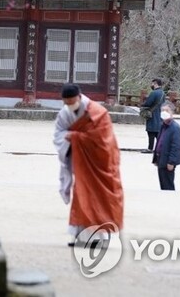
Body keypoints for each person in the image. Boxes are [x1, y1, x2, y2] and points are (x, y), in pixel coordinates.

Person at [53, 83, 124, 245]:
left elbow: (103, 139)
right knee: (81, 194)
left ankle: (100, 238)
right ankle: (80, 235)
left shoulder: (98, 113)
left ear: (79, 97)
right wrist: (73, 138)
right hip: (82, 162)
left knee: (101, 198)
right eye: (67, 103)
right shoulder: (64, 114)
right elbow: (58, 134)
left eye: (72, 102)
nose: (70, 106)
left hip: (101, 162)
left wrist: (75, 137)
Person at [152, 101, 180, 190]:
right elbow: (159, 143)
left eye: (167, 110)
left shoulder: (175, 127)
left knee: (168, 184)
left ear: (172, 112)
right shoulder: (163, 125)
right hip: (161, 158)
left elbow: (176, 146)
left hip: (168, 160)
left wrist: (171, 162)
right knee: (162, 184)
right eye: (162, 110)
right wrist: (155, 159)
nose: (164, 112)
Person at [140, 78, 165, 153]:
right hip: (159, 113)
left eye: (152, 83)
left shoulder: (154, 93)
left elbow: (148, 103)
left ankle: (150, 148)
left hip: (152, 113)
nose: (151, 85)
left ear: (155, 84)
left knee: (150, 131)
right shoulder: (163, 93)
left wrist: (142, 104)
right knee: (158, 132)